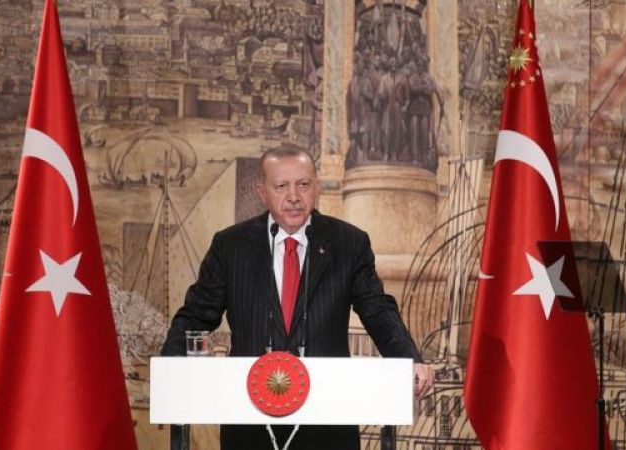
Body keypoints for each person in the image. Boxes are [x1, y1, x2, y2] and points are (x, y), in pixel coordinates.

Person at [161, 146, 433, 450]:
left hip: (327, 424)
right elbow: (197, 315)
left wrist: (409, 358)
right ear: (262, 192)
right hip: (250, 423)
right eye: (281, 186)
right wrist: (171, 366)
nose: (294, 196)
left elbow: (378, 310)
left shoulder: (349, 243)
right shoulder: (230, 246)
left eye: (303, 184)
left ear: (316, 187)